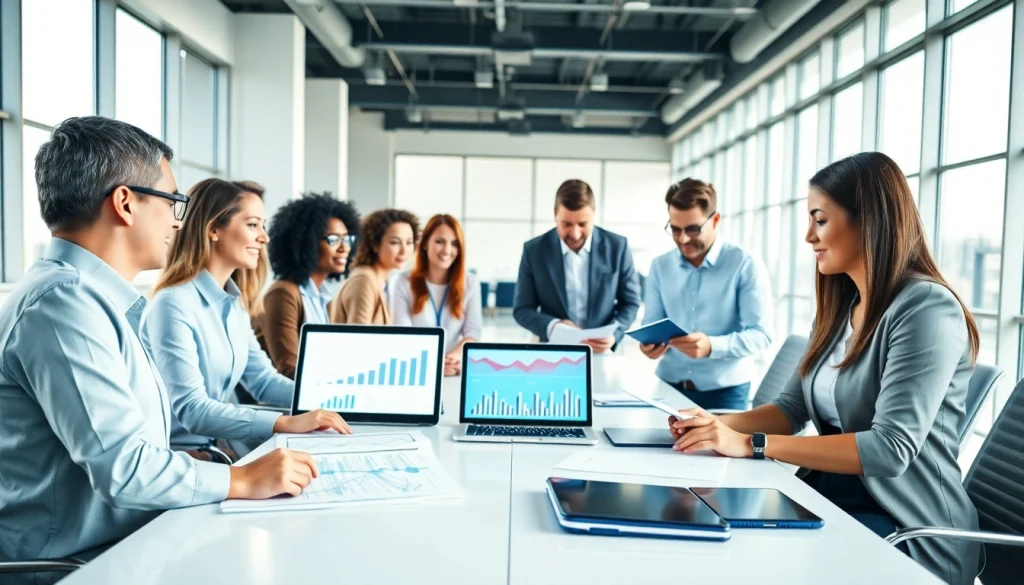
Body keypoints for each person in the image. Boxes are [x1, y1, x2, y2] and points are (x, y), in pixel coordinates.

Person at [0, 117, 332, 577]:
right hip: (81, 562)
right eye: (174, 201)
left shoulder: (103, 301)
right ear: (125, 203)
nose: (180, 220)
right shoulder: (63, 306)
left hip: (132, 534)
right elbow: (124, 470)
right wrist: (241, 478)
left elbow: (132, 445)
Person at [668, 153, 981, 585]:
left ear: (867, 222)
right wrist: (712, 426)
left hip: (907, 529)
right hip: (835, 500)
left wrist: (753, 444)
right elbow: (790, 409)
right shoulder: (840, 309)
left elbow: (888, 450)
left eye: (820, 219)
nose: (808, 236)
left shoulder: (926, 308)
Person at [140, 179, 351, 455]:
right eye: (253, 225)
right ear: (213, 229)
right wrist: (285, 422)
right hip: (182, 455)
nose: (264, 237)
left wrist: (333, 400)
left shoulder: (233, 304)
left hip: (218, 447)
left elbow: (263, 381)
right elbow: (191, 410)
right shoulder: (174, 304)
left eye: (262, 226)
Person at [640, 178, 773, 410]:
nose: (683, 239)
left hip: (724, 393)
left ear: (715, 220)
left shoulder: (744, 263)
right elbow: (652, 324)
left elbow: (761, 335)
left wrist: (712, 345)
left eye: (693, 229)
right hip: (668, 386)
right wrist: (648, 345)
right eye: (675, 229)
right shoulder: (660, 266)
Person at [513, 179, 641, 352]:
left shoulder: (617, 247)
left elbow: (631, 303)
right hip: (553, 350)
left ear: (594, 215)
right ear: (555, 214)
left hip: (601, 352)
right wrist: (554, 326)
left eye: (583, 224)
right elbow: (522, 309)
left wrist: (615, 334)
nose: (575, 234)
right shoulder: (534, 250)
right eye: (566, 224)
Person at [256, 193, 361, 378]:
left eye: (347, 239)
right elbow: (288, 366)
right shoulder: (283, 293)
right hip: (281, 402)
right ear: (307, 243)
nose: (344, 248)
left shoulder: (322, 296)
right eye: (334, 239)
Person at [391, 214, 483, 376]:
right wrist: (435, 364)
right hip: (417, 369)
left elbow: (473, 332)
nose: (447, 250)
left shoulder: (470, 282)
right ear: (425, 243)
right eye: (440, 241)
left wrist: (451, 357)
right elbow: (403, 334)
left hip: (453, 368)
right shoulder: (403, 282)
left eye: (454, 244)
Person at [331, 208, 418, 325]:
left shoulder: (382, 281)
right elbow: (359, 337)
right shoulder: (364, 281)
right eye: (395, 242)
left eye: (409, 242)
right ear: (375, 244)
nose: (404, 250)